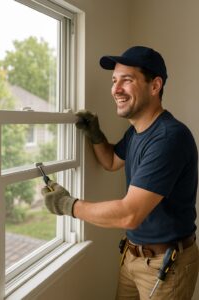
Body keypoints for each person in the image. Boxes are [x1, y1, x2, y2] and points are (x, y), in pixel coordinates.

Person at [41, 46, 199, 300]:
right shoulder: (137, 132)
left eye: (127, 80)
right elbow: (111, 161)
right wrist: (95, 134)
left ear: (155, 85)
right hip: (132, 256)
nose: (116, 89)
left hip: (165, 265)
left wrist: (66, 205)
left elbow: (129, 215)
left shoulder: (169, 138)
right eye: (114, 80)